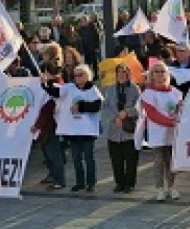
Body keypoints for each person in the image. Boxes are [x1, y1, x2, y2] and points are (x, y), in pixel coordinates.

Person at [42, 64, 103, 192]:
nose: (77, 78)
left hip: (87, 131)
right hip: (73, 130)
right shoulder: (69, 88)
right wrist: (45, 84)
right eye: (75, 75)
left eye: (80, 75)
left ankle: (91, 182)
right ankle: (80, 182)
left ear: (87, 76)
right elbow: (55, 92)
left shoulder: (92, 89)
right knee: (76, 159)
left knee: (89, 158)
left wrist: (81, 106)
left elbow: (97, 106)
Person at [137, 62, 183, 201]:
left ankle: (171, 187)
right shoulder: (148, 94)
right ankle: (159, 188)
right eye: (156, 71)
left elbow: (180, 110)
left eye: (162, 71)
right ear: (151, 75)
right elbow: (152, 114)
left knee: (171, 161)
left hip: (172, 132)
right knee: (158, 161)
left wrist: (178, 117)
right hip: (157, 132)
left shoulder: (176, 93)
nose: (159, 74)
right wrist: (170, 122)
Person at [102, 63, 141, 193]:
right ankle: (119, 182)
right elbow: (106, 107)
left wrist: (127, 113)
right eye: (119, 72)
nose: (121, 75)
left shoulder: (134, 89)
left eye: (124, 72)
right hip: (114, 129)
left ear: (128, 74)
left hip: (129, 129)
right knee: (116, 159)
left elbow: (139, 107)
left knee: (131, 159)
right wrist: (116, 118)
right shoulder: (110, 89)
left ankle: (130, 183)